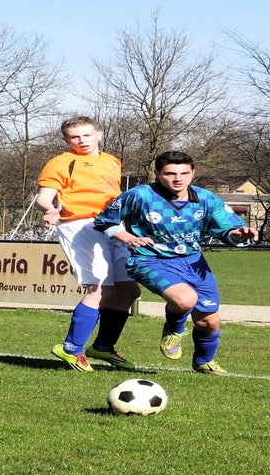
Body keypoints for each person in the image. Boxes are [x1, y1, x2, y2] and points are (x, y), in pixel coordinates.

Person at [94, 150, 258, 375]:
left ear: (193, 173)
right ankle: (173, 329)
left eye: (184, 173)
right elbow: (104, 221)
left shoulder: (206, 199)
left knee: (209, 322)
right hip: (149, 259)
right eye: (170, 173)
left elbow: (227, 229)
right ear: (157, 174)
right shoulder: (140, 195)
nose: (178, 179)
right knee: (185, 300)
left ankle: (204, 362)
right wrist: (127, 237)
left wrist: (238, 235)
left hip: (193, 262)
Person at [35, 116, 141, 371]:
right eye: (74, 136)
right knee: (101, 289)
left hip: (112, 225)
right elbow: (43, 198)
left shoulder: (112, 161)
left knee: (128, 291)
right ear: (66, 140)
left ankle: (103, 346)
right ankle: (71, 348)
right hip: (80, 225)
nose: (81, 140)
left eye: (86, 135)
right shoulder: (61, 162)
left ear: (99, 134)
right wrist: (50, 209)